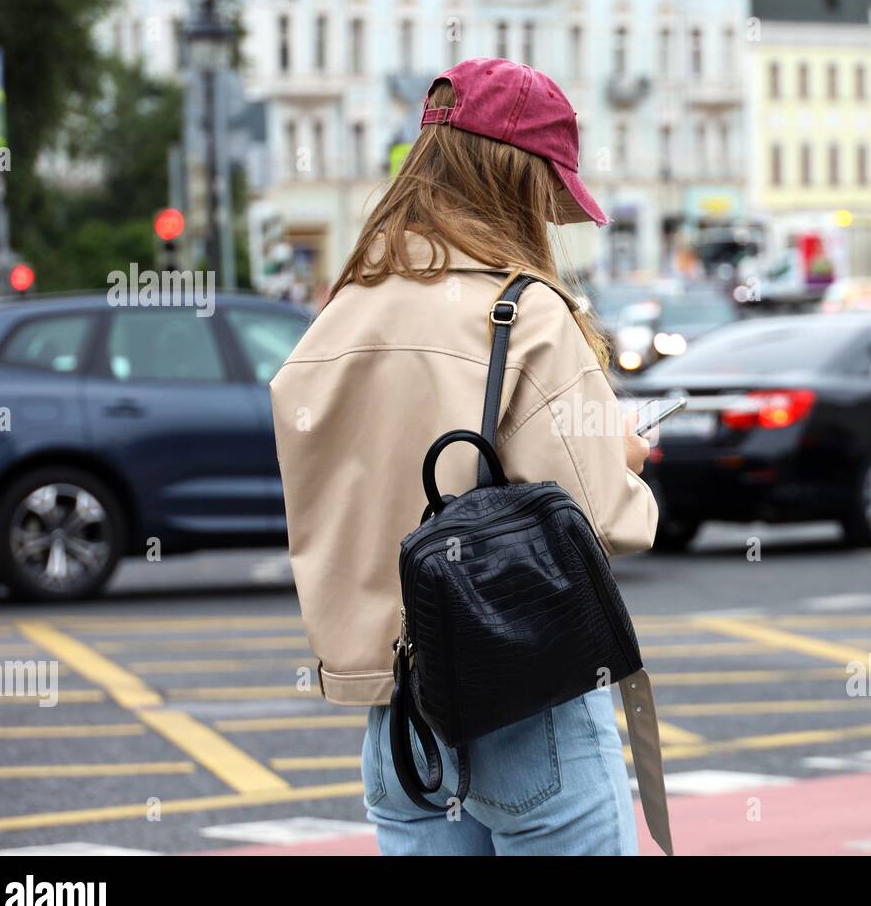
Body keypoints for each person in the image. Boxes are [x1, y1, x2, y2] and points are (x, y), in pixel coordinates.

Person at [269, 58, 659, 856]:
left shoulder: (338, 316)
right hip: (525, 702)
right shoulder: (526, 312)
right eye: (548, 197)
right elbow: (607, 524)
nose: (549, 221)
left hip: (398, 718)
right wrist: (623, 460)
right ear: (515, 183)